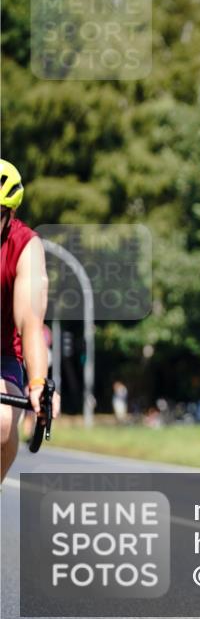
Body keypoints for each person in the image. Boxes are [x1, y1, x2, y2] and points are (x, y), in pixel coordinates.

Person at [1, 159, 61, 483]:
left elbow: (30, 323)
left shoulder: (25, 246)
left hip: (2, 354)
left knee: (1, 421)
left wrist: (37, 384)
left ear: (9, 215)